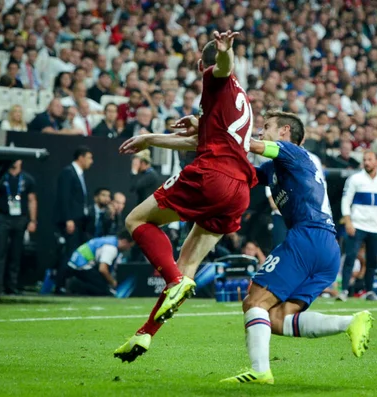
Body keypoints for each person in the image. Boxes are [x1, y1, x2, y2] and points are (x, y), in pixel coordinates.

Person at [113, 30, 258, 362]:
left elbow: (222, 67)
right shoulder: (239, 100)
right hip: (239, 190)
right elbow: (196, 141)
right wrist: (152, 138)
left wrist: (224, 51)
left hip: (212, 176)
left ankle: (174, 280)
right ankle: (145, 335)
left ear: (198, 64)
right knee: (187, 266)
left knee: (135, 219)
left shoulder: (218, 79)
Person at [220, 111, 373, 384]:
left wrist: (222, 131)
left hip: (307, 237)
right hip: (327, 248)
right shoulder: (277, 168)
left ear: (284, 131)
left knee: (254, 302)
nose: (260, 131)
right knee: (279, 317)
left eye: (266, 127)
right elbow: (244, 171)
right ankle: (350, 322)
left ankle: (260, 371)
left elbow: (253, 146)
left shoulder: (292, 151)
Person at [338, 151, 377, 302]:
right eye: (365, 160)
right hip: (358, 224)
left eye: (370, 159)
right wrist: (348, 221)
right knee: (350, 256)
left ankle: (369, 291)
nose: (366, 162)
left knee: (372, 260)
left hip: (376, 226)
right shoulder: (355, 179)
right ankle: (344, 290)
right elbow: (346, 200)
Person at [0, 160, 37, 295]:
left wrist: (33, 220)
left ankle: (12, 285)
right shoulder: (2, 177)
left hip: (20, 218)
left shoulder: (28, 179)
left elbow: (32, 199)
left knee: (16, 253)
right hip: (3, 217)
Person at [54, 146, 94, 293]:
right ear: (81, 157)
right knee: (69, 253)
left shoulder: (79, 174)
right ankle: (60, 284)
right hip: (71, 221)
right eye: (89, 157)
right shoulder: (68, 172)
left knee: (75, 253)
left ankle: (67, 284)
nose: (91, 161)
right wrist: (68, 219)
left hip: (79, 221)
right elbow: (64, 197)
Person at [65, 230, 134, 296]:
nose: (128, 249)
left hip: (77, 262)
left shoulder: (111, 240)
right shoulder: (111, 248)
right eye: (129, 246)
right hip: (82, 265)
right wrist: (113, 282)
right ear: (125, 242)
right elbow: (103, 269)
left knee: (101, 283)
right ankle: (75, 285)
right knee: (103, 290)